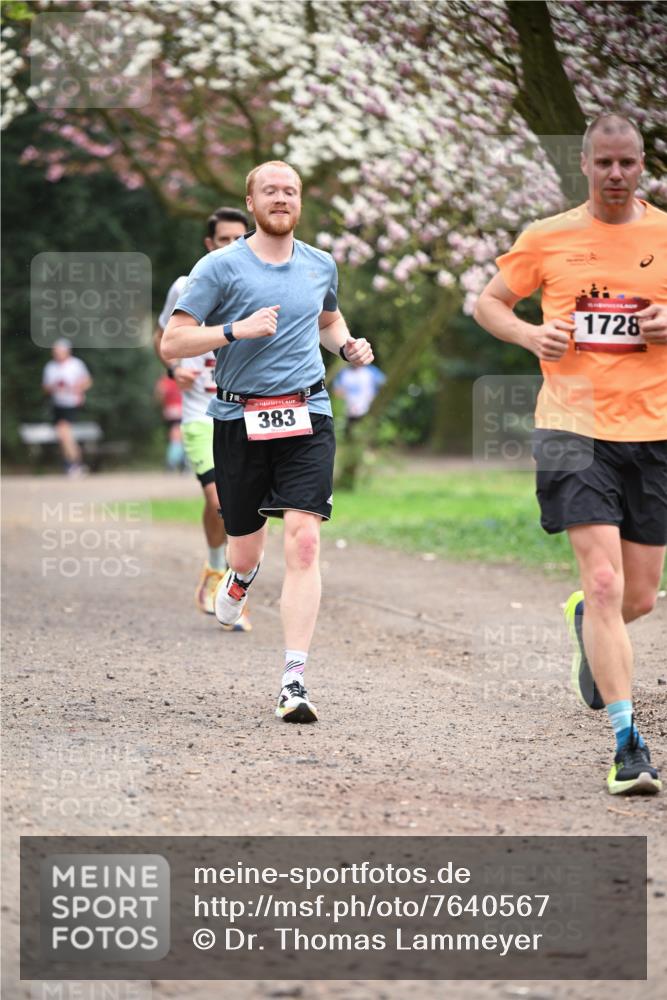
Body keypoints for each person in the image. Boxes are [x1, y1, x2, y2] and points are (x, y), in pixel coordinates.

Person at [474, 114, 666, 795]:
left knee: (637, 595)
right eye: (603, 163)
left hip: (653, 433)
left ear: (642, 165)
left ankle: (588, 621)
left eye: (627, 163)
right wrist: (531, 337)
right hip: (571, 426)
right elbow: (487, 302)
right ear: (583, 165)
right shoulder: (547, 237)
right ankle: (626, 745)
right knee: (607, 580)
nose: (615, 174)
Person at [161, 160, 374, 723]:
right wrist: (236, 330)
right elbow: (172, 343)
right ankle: (238, 580)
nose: (282, 199)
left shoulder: (319, 264)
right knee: (246, 547)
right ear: (251, 203)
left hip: (308, 412)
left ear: (300, 203)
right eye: (270, 191)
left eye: (291, 191)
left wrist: (348, 347)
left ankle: (293, 680)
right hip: (236, 419)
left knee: (304, 541)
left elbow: (328, 322)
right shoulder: (218, 267)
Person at [154, 207, 250, 622]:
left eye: (239, 239)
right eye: (224, 240)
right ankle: (218, 571)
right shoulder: (185, 285)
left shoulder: (260, 284)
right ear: (209, 244)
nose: (232, 247)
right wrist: (174, 369)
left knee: (243, 506)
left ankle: (228, 578)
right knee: (219, 501)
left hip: (245, 413)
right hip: (199, 412)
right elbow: (165, 337)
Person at [41, 338, 92, 476]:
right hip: (57, 403)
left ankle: (74, 463)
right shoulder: (50, 366)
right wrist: (53, 387)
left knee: (63, 431)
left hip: (72, 403)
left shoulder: (76, 364)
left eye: (59, 351)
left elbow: (87, 382)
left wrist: (77, 388)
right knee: (63, 435)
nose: (56, 353)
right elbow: (45, 387)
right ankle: (72, 464)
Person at [333, 360, 386, 434]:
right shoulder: (344, 373)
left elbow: (383, 383)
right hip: (348, 408)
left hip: (367, 406)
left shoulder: (371, 371)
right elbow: (337, 391)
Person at [154, 372, 185, 471]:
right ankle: (174, 462)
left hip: (171, 411)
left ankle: (177, 463)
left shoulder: (164, 379)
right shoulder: (182, 374)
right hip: (180, 410)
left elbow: (159, 394)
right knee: (178, 437)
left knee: (177, 437)